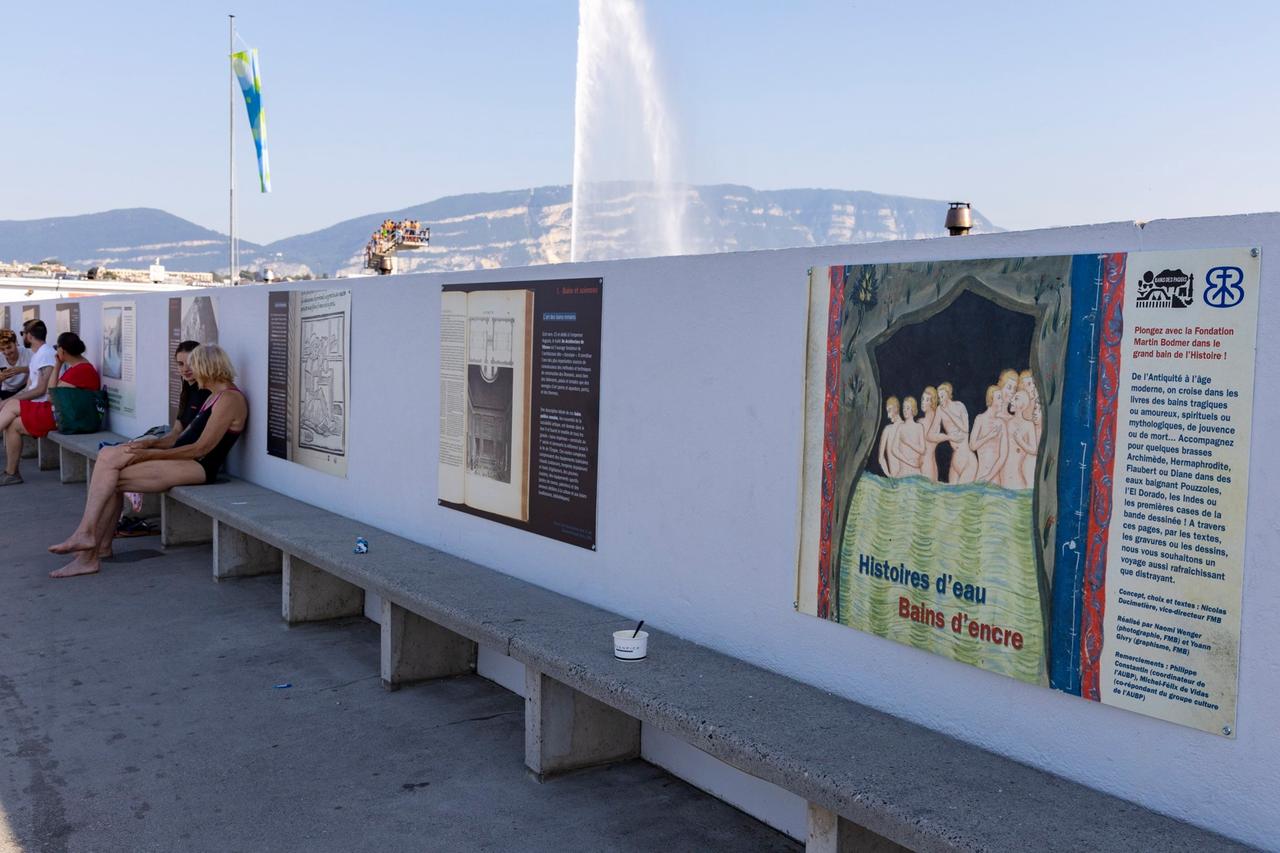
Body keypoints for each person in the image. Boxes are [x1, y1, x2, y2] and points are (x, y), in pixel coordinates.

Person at [47, 344, 248, 578]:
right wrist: (148, 444)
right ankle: (92, 544)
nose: (188, 372)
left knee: (110, 480)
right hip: (185, 460)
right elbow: (183, 438)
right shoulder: (214, 396)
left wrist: (149, 454)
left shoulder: (229, 399)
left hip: (199, 467)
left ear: (206, 368)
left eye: (193, 366)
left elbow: (200, 448)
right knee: (108, 468)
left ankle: (89, 547)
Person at [0, 325, 95, 485]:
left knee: (12, 405)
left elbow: (51, 395)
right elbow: (54, 391)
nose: (55, 352)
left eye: (58, 349)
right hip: (63, 412)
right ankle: (11, 473)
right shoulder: (77, 367)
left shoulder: (81, 370)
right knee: (12, 424)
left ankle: (12, 473)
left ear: (63, 351)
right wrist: (58, 365)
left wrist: (57, 367)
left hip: (65, 417)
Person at [930, 382, 976, 484]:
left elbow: (965, 428)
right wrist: (948, 437)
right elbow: (930, 435)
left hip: (967, 460)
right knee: (951, 497)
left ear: (948, 394)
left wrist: (948, 412)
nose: (940, 399)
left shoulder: (960, 406)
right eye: (938, 396)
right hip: (955, 460)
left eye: (942, 395)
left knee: (962, 495)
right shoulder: (939, 410)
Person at [999, 390, 1038, 490]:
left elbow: (1034, 450)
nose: (1012, 400)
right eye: (1013, 398)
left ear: (1023, 404)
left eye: (1016, 398)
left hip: (1019, 470)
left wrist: (1020, 441)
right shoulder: (1007, 422)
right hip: (1006, 468)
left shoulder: (1029, 425)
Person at [969, 385, 1009, 484]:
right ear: (991, 399)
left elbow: (1003, 455)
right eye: (999, 398)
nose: (1002, 401)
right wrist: (989, 436)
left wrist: (988, 477)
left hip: (994, 479)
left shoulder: (1001, 423)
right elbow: (972, 446)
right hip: (980, 476)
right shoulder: (980, 419)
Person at [893, 396, 926, 477]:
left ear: (913, 409)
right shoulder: (900, 427)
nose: (904, 410)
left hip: (916, 474)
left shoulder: (919, 427)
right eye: (904, 407)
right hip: (902, 474)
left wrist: (908, 442)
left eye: (908, 408)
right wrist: (908, 461)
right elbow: (894, 449)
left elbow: (922, 450)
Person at [918, 386, 942, 482]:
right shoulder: (937, 423)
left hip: (924, 466)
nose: (923, 402)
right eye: (923, 399)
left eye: (927, 400)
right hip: (931, 466)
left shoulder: (921, 422)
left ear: (932, 402)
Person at [0, 328, 31, 400]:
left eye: (9, 347)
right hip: (5, 391)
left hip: (24, 389)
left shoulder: (27, 352)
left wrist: (21, 369)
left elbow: (38, 370)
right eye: (2, 349)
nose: (6, 352)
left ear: (15, 343)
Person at [877, 397, 903, 477]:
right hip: (907, 479)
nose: (888, 416)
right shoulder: (908, 427)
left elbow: (880, 459)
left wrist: (889, 476)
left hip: (897, 478)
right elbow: (880, 459)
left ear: (896, 408)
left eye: (889, 411)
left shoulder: (887, 430)